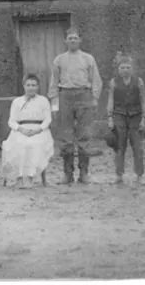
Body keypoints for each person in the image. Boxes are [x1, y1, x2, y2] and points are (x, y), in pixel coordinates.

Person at [48, 27, 103, 185]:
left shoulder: (88, 59)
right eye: (70, 38)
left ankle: (84, 173)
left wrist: (94, 99)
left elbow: (96, 81)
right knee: (66, 137)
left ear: (80, 40)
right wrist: (54, 104)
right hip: (65, 95)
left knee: (84, 135)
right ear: (66, 41)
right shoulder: (59, 60)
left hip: (84, 95)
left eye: (75, 38)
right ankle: (67, 173)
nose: (72, 40)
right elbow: (53, 83)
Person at [1, 74, 54, 189]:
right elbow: (12, 121)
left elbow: (48, 119)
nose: (31, 88)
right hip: (21, 129)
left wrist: (38, 130)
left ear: (38, 87)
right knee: (19, 144)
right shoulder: (17, 101)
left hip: (39, 130)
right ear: (24, 86)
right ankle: (19, 178)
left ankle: (30, 178)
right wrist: (20, 128)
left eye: (34, 85)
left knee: (34, 144)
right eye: (28, 85)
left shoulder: (43, 101)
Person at [106, 55, 145, 186]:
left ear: (132, 69)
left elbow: (143, 100)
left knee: (138, 147)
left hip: (136, 116)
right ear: (118, 69)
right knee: (119, 146)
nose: (125, 70)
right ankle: (119, 175)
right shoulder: (113, 82)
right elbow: (111, 100)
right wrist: (110, 118)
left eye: (128, 67)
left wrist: (144, 118)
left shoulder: (139, 81)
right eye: (122, 67)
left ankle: (140, 175)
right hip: (119, 115)